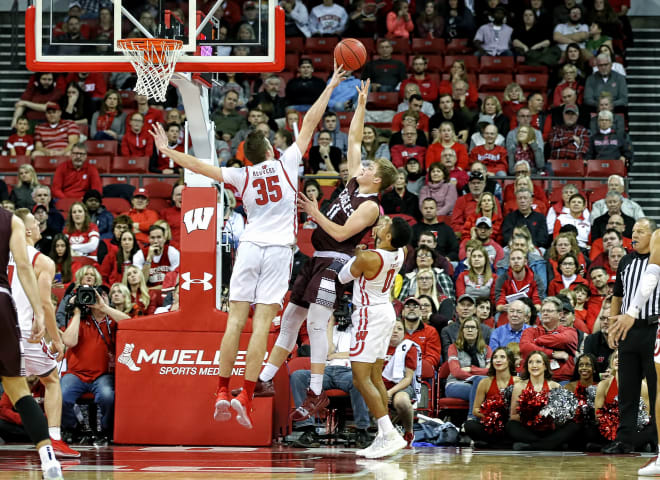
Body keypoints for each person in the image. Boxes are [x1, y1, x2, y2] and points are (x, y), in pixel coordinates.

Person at [151, 65, 348, 427]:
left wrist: (168, 151)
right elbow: (309, 124)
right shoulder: (287, 164)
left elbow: (200, 165)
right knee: (261, 327)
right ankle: (245, 393)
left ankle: (222, 391)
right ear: (272, 149)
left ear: (247, 157)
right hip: (276, 252)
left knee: (234, 322)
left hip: (250, 247)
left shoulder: (240, 175)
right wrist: (331, 84)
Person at [335, 216, 412, 457]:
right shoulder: (402, 252)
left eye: (385, 226)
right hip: (386, 312)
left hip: (369, 316)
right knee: (375, 376)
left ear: (388, 237)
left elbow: (342, 277)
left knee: (359, 379)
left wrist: (357, 254)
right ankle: (383, 435)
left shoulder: (369, 258)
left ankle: (388, 433)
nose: (381, 225)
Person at [0, 205, 64, 477]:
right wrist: (39, 311)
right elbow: (24, 266)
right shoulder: (9, 220)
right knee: (21, 393)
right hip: (4, 305)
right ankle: (49, 458)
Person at [11, 209, 78, 458]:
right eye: (37, 223)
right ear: (27, 230)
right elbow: (46, 303)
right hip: (25, 332)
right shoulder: (42, 261)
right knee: (51, 380)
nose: (41, 227)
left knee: (14, 387)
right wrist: (56, 339)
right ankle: (55, 440)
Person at [607, 218, 660, 460]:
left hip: (654, 329)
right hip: (627, 329)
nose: (634, 234)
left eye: (640, 231)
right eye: (633, 230)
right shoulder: (626, 261)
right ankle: (624, 441)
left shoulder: (658, 260)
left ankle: (658, 441)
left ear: (653, 236)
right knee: (627, 389)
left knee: (657, 388)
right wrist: (611, 325)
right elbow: (617, 296)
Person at [289, 314, 371, 449]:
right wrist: (331, 321)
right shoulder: (330, 329)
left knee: (360, 380)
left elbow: (361, 353)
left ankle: (362, 430)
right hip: (325, 371)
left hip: (348, 372)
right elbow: (327, 352)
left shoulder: (362, 331)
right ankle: (308, 430)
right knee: (298, 376)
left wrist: (335, 355)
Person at [505, 350, 581, 450]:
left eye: (538, 362)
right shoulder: (519, 386)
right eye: (530, 362)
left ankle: (532, 447)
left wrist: (549, 415)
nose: (534, 365)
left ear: (545, 366)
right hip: (528, 430)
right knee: (511, 425)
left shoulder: (555, 386)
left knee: (573, 426)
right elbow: (513, 416)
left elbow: (561, 418)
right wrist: (531, 416)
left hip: (549, 429)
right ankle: (552, 445)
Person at [464, 347, 517, 447]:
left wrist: (505, 416)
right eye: (495, 357)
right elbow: (475, 410)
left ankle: (489, 444)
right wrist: (491, 416)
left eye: (502, 357)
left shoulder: (518, 381)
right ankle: (502, 444)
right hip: (491, 426)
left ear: (509, 361)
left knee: (514, 427)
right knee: (469, 425)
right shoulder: (485, 382)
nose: (498, 360)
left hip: (509, 424)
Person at [520, 297, 578, 382]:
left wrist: (537, 341)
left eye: (549, 311)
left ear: (560, 315)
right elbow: (525, 348)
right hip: (534, 379)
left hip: (562, 380)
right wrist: (553, 353)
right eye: (543, 311)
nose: (545, 313)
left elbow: (564, 340)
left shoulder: (570, 331)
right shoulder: (530, 331)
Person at [446, 317, 493, 402]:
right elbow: (456, 372)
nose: (470, 330)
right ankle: (473, 415)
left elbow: (490, 371)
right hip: (455, 384)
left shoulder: (487, 349)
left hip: (480, 385)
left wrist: (471, 369)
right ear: (462, 330)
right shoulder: (453, 348)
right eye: (467, 327)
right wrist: (477, 378)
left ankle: (473, 415)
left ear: (478, 331)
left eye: (473, 327)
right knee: (476, 389)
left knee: (482, 389)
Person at [132, 223, 180, 290]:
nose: (156, 241)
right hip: (147, 296)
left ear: (164, 239)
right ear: (148, 239)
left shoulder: (172, 252)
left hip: (168, 293)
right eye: (153, 238)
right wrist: (148, 259)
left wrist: (152, 289)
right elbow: (140, 282)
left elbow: (174, 282)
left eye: (159, 237)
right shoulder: (140, 255)